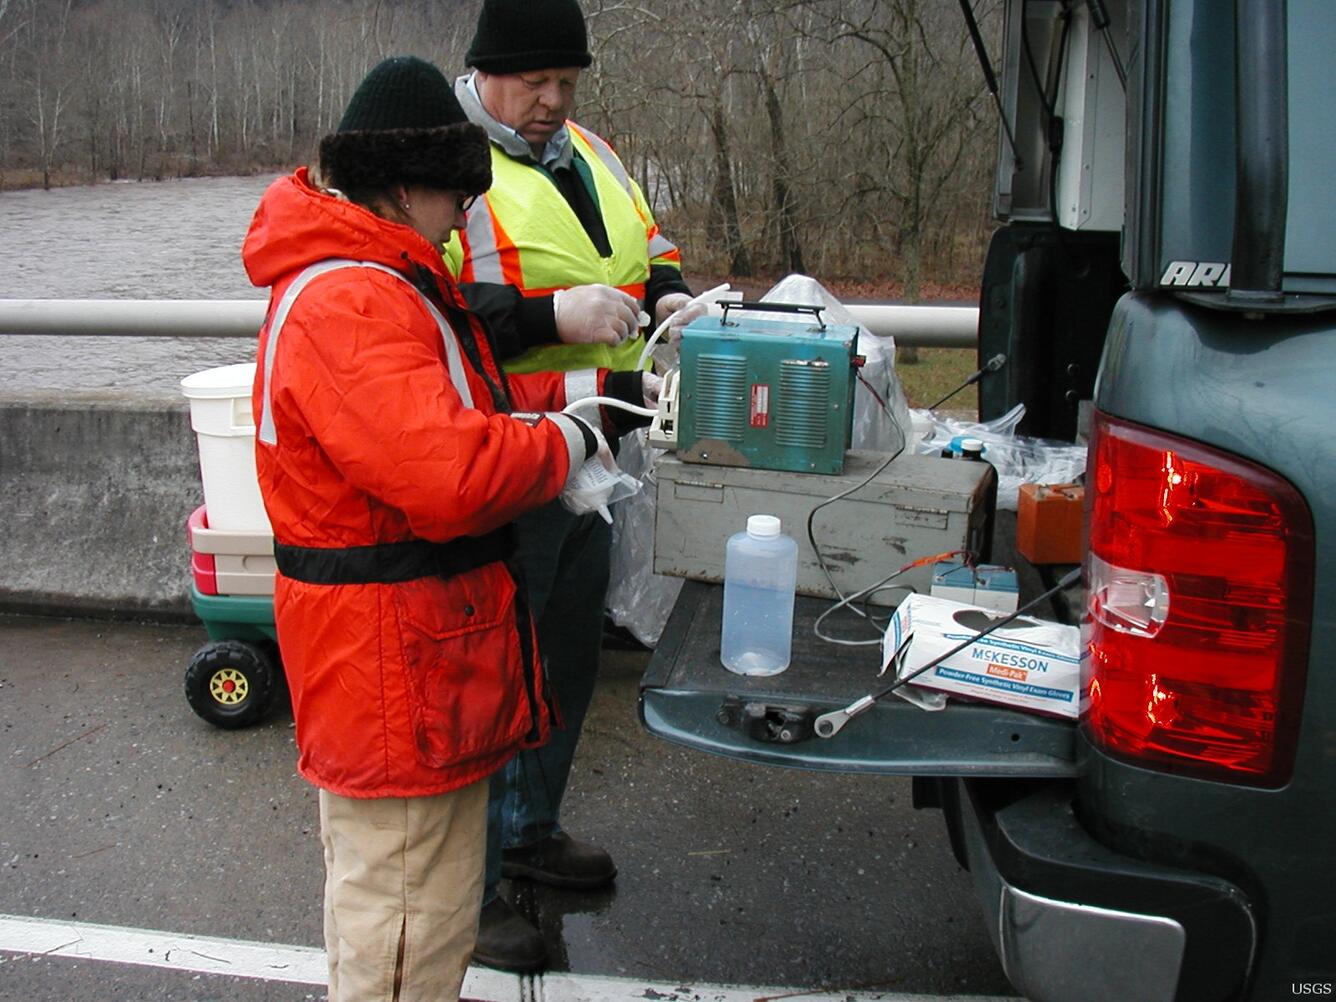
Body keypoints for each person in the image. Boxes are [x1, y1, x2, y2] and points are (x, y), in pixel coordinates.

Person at [243, 55, 653, 1001]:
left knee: (420, 915)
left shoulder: (379, 283)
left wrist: (592, 391)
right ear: (405, 183)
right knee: (402, 927)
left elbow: (457, 400)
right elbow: (452, 472)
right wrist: (568, 438)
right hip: (392, 674)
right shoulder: (349, 298)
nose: (465, 216)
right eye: (457, 195)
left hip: (418, 667)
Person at [441, 0, 699, 973]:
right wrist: (551, 309)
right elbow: (428, 305)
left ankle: (529, 832)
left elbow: (646, 239)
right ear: (487, 71)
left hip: (596, 448)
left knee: (563, 657)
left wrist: (669, 287)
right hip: (504, 453)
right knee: (492, 673)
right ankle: (468, 889)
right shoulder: (447, 162)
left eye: (566, 83)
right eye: (535, 82)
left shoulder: (588, 148)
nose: (553, 102)